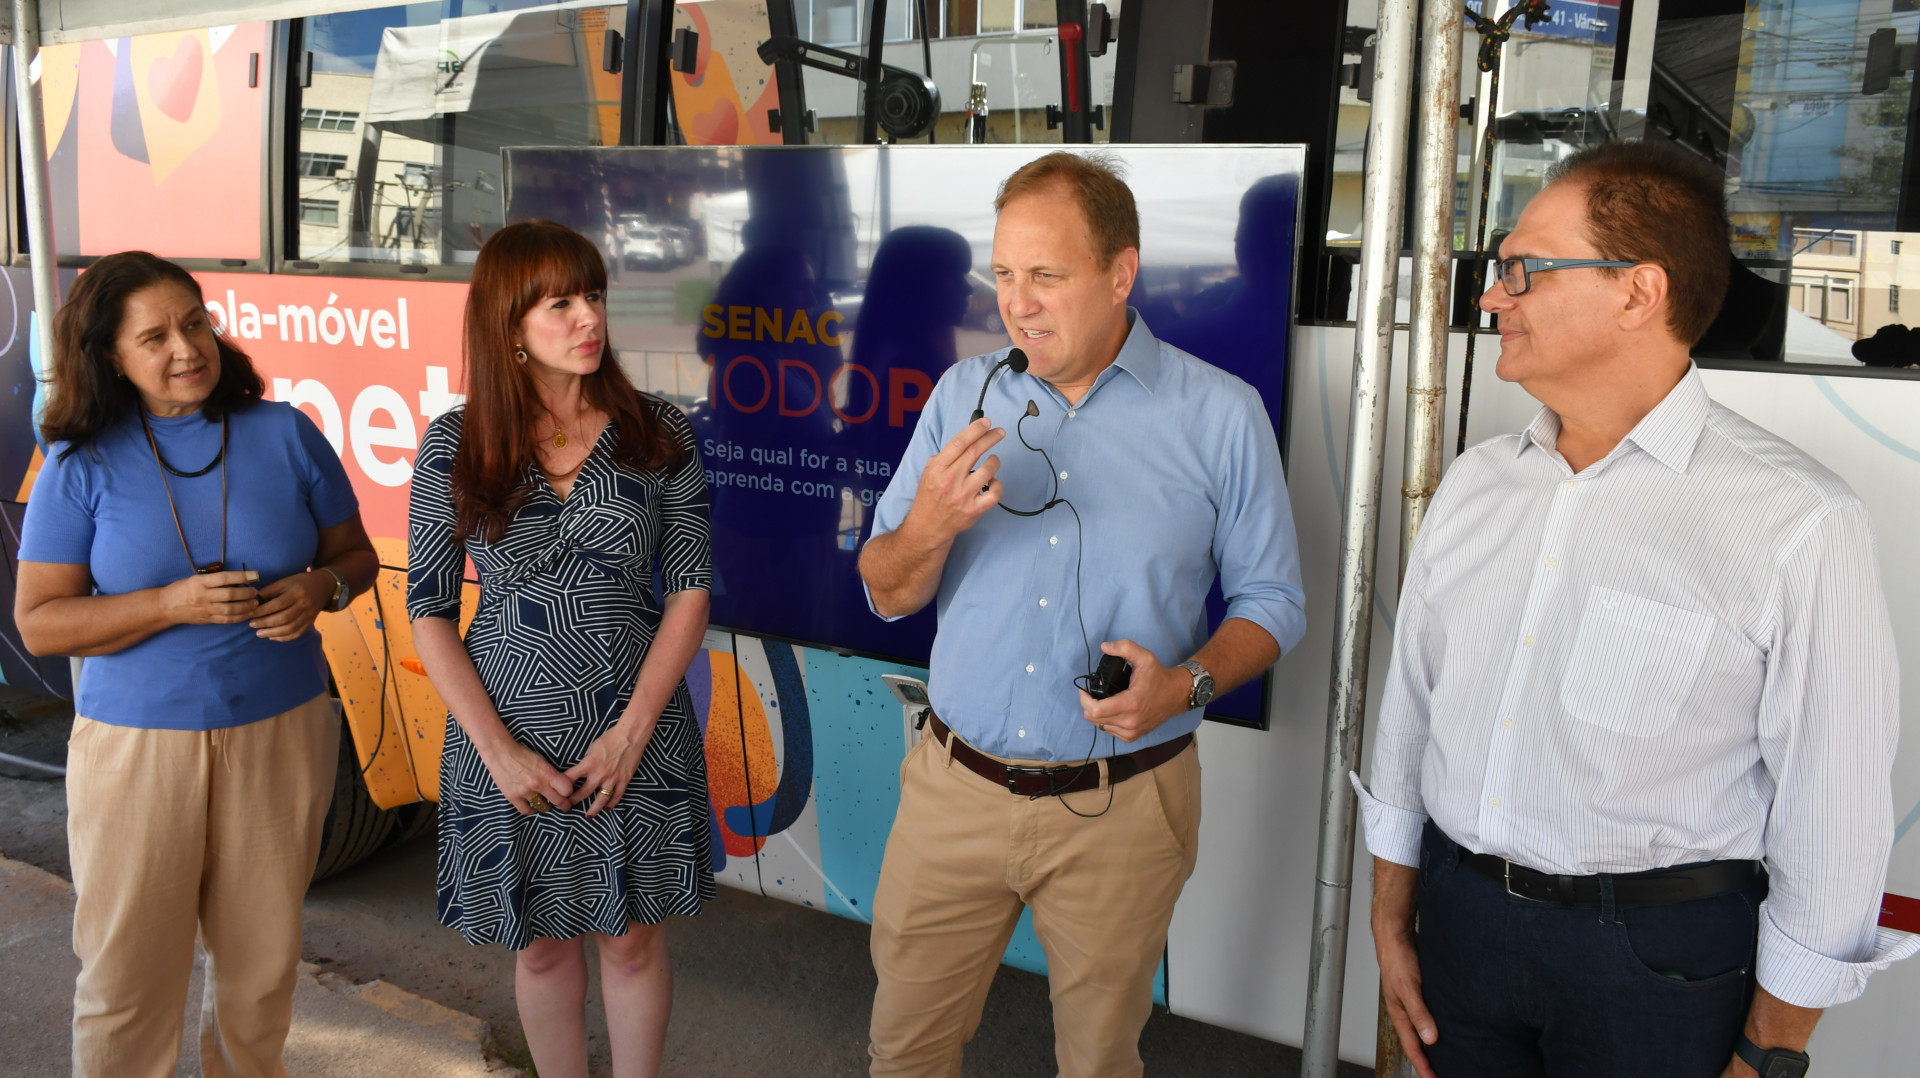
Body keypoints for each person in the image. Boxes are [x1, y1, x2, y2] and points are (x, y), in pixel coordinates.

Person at [1354, 139, 1916, 1078]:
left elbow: (1835, 814)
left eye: (1521, 270)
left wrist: (1770, 1052)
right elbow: (1412, 709)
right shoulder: (1476, 484)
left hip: (1655, 962)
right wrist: (1390, 911)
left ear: (1638, 292)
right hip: (1461, 927)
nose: (1493, 296)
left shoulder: (1797, 521)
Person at [858, 151, 1306, 1078]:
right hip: (954, 793)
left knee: (1099, 1065)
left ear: (1120, 274)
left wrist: (1186, 684)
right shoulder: (961, 396)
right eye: (1006, 276)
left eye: (1047, 277)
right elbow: (887, 588)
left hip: (1125, 806)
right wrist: (929, 527)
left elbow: (1275, 602)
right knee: (904, 1055)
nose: (1018, 304)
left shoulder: (1222, 415)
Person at [13, 251, 377, 1078]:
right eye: (155, 335)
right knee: (127, 982)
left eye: (195, 321)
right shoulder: (81, 465)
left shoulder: (283, 432)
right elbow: (38, 623)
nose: (186, 347)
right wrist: (165, 605)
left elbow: (355, 557)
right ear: (110, 355)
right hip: (137, 751)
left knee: (260, 973)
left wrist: (319, 587)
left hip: (281, 732)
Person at [407, 220, 713, 1078]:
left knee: (631, 944)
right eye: (562, 303)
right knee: (541, 948)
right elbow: (427, 607)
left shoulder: (659, 432)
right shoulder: (455, 443)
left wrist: (631, 732)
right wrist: (496, 752)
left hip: (634, 730)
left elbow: (690, 588)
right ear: (510, 326)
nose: (590, 319)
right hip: (505, 739)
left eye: (596, 297)